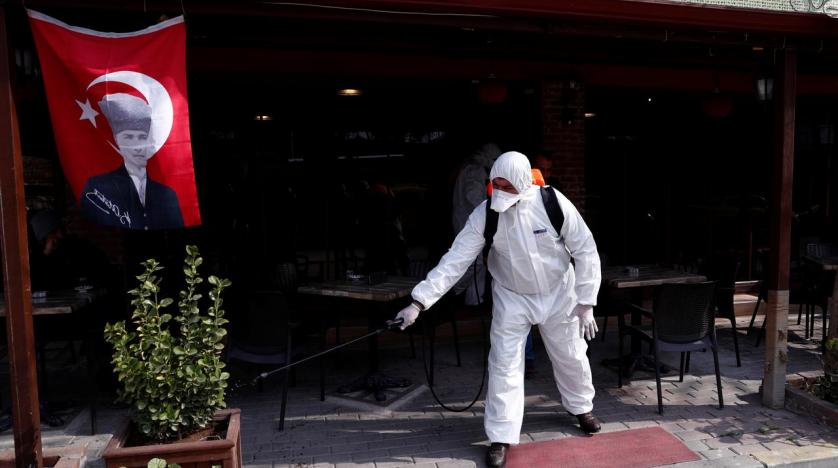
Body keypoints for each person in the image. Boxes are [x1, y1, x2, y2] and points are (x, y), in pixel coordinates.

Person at [394, 151, 602, 467]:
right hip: (512, 295)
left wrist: (586, 301)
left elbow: (585, 249)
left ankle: (581, 407)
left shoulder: (553, 203)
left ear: (523, 182)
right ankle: (501, 435)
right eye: (496, 185)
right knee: (504, 365)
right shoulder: (485, 214)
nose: (501, 192)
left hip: (560, 292)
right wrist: (418, 302)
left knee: (571, 354)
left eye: (507, 186)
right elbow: (455, 260)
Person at [79, 93, 184, 230]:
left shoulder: (167, 194)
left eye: (142, 137)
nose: (137, 146)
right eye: (128, 137)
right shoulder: (98, 187)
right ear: (117, 140)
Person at [450, 142, 502, 305]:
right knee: (476, 262)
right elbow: (474, 197)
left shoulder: (474, 169)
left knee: (478, 265)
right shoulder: (475, 171)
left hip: (471, 221)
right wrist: (493, 210)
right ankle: (453, 289)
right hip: (467, 223)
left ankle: (474, 302)